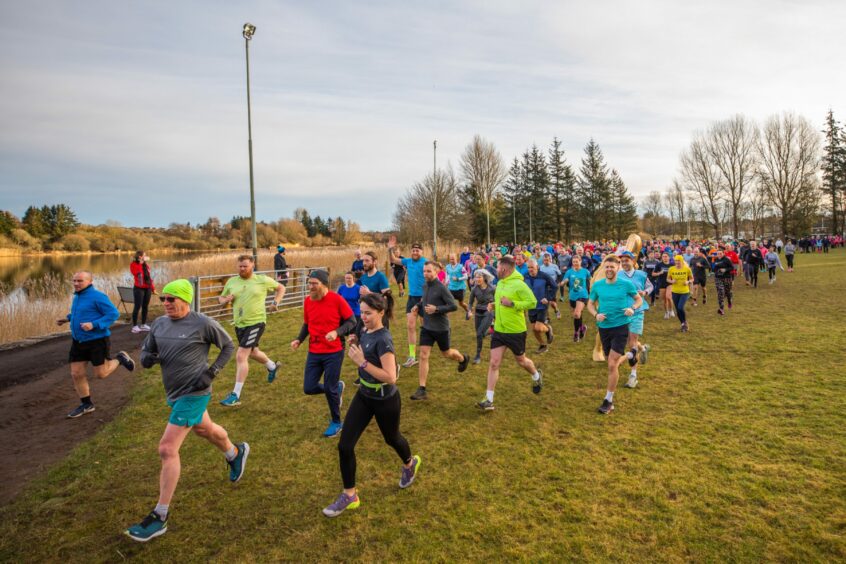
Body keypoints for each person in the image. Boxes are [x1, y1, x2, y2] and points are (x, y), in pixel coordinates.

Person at [125, 279, 246, 542]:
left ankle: (160, 516)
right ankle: (235, 452)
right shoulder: (159, 323)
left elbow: (227, 346)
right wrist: (146, 358)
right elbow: (148, 349)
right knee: (205, 429)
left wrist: (211, 373)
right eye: (163, 300)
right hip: (174, 392)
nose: (166, 304)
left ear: (185, 300)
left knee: (167, 449)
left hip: (195, 392)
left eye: (171, 299)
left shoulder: (203, 323)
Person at [322, 293, 421, 518]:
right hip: (364, 395)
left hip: (385, 399)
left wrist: (362, 362)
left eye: (368, 313)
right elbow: (361, 340)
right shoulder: (363, 329)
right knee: (345, 446)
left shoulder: (384, 340)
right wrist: (356, 342)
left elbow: (390, 376)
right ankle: (350, 495)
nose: (363, 317)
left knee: (391, 438)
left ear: (381, 313)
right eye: (362, 312)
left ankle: (409, 464)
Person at [57, 271, 135, 418]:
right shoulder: (77, 296)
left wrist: (94, 324)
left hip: (97, 341)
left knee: (101, 374)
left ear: (90, 282)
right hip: (78, 341)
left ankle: (120, 359)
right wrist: (67, 319)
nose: (76, 284)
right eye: (74, 281)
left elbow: (113, 314)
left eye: (80, 281)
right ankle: (86, 404)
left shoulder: (98, 296)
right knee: (76, 373)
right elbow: (81, 313)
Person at [291, 270, 357, 437]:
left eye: (314, 284)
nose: (310, 287)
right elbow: (307, 324)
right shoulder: (308, 301)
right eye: (309, 283)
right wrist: (299, 339)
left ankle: (336, 422)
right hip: (314, 351)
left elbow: (352, 321)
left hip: (334, 351)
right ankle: (336, 388)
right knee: (309, 388)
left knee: (329, 387)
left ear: (324, 284)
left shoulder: (337, 300)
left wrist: (337, 332)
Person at [218, 255, 285, 406]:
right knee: (253, 352)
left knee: (241, 355)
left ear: (252, 266)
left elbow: (281, 288)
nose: (242, 269)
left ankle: (235, 394)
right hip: (239, 324)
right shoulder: (232, 281)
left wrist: (275, 302)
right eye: (240, 266)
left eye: (245, 266)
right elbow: (220, 299)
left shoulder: (262, 280)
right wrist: (225, 300)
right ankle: (272, 366)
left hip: (256, 322)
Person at [477, 256, 542, 411]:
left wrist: (513, 304)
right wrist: (494, 305)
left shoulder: (519, 284)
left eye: (497, 267)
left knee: (521, 361)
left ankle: (536, 376)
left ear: (504, 269)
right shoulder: (500, 283)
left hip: (515, 331)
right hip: (499, 330)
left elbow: (532, 302)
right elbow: (502, 302)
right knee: (494, 363)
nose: (496, 269)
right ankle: (489, 399)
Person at [586, 256, 642, 415]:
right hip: (604, 328)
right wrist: (595, 314)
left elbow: (638, 299)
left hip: (621, 326)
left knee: (611, 364)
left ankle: (608, 400)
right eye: (607, 267)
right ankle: (632, 353)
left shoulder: (626, 284)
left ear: (618, 268)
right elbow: (590, 304)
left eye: (612, 267)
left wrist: (632, 308)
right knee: (613, 362)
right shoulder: (598, 286)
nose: (609, 270)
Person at [409, 262, 470, 400]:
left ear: (436, 272)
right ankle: (422, 389)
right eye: (424, 271)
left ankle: (462, 358)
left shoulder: (442, 288)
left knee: (446, 353)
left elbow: (453, 306)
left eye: (429, 271)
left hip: (441, 328)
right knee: (423, 355)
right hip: (427, 328)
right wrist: (418, 306)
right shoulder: (425, 286)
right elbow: (425, 300)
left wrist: (436, 309)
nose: (426, 274)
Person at [388, 236, 426, 368]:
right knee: (410, 326)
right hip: (412, 298)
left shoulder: (426, 263)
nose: (415, 252)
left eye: (417, 250)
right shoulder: (408, 261)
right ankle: (412, 356)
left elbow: (433, 279)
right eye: (413, 250)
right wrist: (390, 248)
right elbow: (393, 259)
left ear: (422, 252)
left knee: (426, 326)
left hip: (424, 298)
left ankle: (429, 348)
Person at [618, 251, 652, 389]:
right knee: (630, 342)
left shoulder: (641, 274)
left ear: (633, 261)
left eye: (627, 260)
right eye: (622, 260)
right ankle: (643, 348)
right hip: (622, 313)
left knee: (631, 343)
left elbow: (650, 286)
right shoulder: (618, 275)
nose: (625, 262)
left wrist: (645, 292)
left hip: (637, 311)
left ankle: (633, 376)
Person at [524, 259, 556, 354]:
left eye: (532, 267)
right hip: (531, 305)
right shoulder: (525, 276)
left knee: (538, 327)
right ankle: (542, 345)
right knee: (534, 329)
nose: (530, 269)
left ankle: (548, 329)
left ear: (537, 267)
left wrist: (548, 297)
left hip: (542, 305)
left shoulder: (544, 276)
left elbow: (554, 286)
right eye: (529, 267)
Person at [468, 269, 496, 364]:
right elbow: (470, 302)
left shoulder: (492, 288)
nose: (477, 279)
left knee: (479, 333)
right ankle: (490, 331)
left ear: (484, 278)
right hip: (478, 312)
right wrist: (469, 311)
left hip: (488, 312)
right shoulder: (474, 289)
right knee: (479, 334)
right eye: (476, 277)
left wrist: (495, 313)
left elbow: (497, 301)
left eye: (479, 277)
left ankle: (477, 355)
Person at [563, 255, 591, 342]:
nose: (575, 263)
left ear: (580, 261)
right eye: (573, 262)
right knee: (577, 316)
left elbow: (591, 280)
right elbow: (565, 280)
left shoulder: (585, 271)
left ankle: (576, 333)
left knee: (577, 314)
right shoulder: (569, 272)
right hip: (572, 296)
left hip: (583, 295)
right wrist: (563, 282)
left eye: (576, 261)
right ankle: (582, 328)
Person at [130, 250, 155, 333]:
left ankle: (143, 324)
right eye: (145, 255)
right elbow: (137, 273)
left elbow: (149, 277)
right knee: (137, 306)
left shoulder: (146, 265)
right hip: (139, 288)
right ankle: (134, 326)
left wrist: (152, 288)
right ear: (140, 256)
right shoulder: (133, 265)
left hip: (147, 288)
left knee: (145, 306)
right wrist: (140, 263)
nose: (146, 256)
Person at [667, 255, 693, 332]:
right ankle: (683, 324)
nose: (677, 262)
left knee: (680, 307)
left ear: (682, 261)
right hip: (675, 291)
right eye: (676, 261)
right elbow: (668, 279)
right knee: (677, 310)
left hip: (685, 291)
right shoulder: (671, 269)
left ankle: (685, 322)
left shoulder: (687, 269)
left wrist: (688, 282)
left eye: (678, 261)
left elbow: (692, 279)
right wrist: (672, 281)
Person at [445, 253, 470, 319]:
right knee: (449, 303)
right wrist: (446, 282)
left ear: (457, 259)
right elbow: (447, 275)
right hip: (451, 287)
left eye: (453, 259)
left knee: (461, 303)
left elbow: (466, 277)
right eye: (450, 259)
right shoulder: (447, 267)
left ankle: (468, 311)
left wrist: (458, 279)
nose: (451, 260)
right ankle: (445, 318)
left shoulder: (461, 267)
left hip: (460, 288)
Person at [711, 248, 735, 315]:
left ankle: (729, 301)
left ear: (723, 253)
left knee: (728, 292)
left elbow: (732, 267)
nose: (719, 255)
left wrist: (725, 270)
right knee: (720, 292)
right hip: (718, 278)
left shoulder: (727, 259)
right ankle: (721, 309)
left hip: (727, 278)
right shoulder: (715, 260)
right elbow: (713, 269)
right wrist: (716, 270)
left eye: (720, 253)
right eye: (718, 254)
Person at [539, 253, 562, 319]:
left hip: (553, 287)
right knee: (545, 303)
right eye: (545, 260)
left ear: (550, 260)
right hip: (544, 287)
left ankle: (556, 310)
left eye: (547, 260)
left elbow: (560, 275)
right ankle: (547, 318)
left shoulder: (554, 266)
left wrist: (557, 282)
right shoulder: (540, 268)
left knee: (552, 303)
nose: (546, 261)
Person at [652, 252, 672, 318]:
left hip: (670, 283)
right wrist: (659, 273)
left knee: (668, 297)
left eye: (666, 256)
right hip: (661, 283)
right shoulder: (659, 265)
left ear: (669, 257)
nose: (664, 258)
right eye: (663, 256)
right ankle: (666, 312)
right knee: (664, 300)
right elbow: (653, 274)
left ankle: (671, 310)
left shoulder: (672, 265)